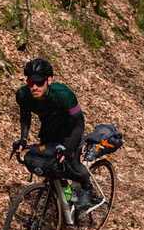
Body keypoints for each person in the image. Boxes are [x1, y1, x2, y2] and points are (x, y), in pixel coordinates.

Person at [12, 58, 100, 208]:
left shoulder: (63, 94)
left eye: (39, 83)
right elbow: (25, 117)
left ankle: (87, 187)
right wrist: (23, 139)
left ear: (49, 80)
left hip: (70, 132)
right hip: (49, 133)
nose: (34, 87)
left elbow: (79, 123)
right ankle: (68, 194)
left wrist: (68, 148)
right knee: (47, 165)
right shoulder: (23, 95)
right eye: (30, 83)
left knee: (70, 165)